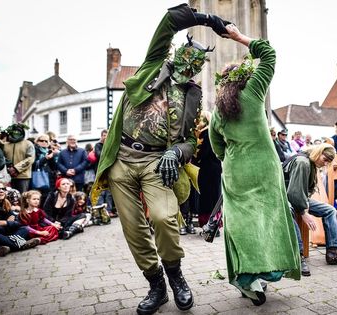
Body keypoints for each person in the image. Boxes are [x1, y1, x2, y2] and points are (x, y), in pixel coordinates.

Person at [90, 4, 232, 314]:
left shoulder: (191, 95)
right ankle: (156, 285)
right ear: (179, 53)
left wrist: (175, 152)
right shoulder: (153, 64)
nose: (191, 63)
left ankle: (176, 276)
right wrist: (207, 19)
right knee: (133, 228)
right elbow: (169, 21)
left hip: (157, 163)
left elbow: (188, 144)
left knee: (165, 219)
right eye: (188, 55)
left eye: (197, 62)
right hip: (122, 160)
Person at [209, 24, 300, 305]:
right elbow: (269, 54)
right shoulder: (255, 90)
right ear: (245, 78)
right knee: (269, 220)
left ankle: (247, 280)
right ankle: (267, 271)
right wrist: (238, 37)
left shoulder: (218, 112)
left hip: (236, 172)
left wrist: (231, 160)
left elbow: (216, 146)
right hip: (265, 168)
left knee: (241, 226)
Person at [283, 143, 337, 273]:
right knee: (289, 211)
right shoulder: (303, 162)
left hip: (298, 198)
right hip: (282, 198)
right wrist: (303, 212)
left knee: (330, 210)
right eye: (325, 160)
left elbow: (302, 192)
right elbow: (293, 193)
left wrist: (304, 205)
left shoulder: (310, 163)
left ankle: (334, 253)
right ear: (318, 153)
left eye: (328, 162)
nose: (325, 164)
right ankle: (297, 257)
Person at [0, 181, 40, 256]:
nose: (1, 191)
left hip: (5, 233)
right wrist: (7, 225)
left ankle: (2, 247)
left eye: (3, 189)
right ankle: (22, 245)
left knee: (25, 229)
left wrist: (4, 223)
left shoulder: (6, 203)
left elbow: (18, 222)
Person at [194, 110, 222, 228]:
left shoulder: (205, 134)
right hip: (215, 169)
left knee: (206, 197)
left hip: (206, 169)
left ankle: (208, 223)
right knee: (214, 197)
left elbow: (203, 153)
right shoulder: (214, 132)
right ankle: (215, 222)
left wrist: (195, 157)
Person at [2, 123, 35, 193]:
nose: (16, 133)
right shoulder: (5, 145)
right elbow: (2, 158)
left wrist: (16, 169)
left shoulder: (28, 144)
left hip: (23, 177)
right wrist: (9, 169)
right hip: (8, 176)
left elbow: (30, 159)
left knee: (22, 197)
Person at [94, 129, 116, 217]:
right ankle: (100, 212)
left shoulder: (112, 144)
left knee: (109, 193)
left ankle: (109, 211)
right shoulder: (98, 145)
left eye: (107, 135)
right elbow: (99, 155)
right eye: (104, 135)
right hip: (101, 172)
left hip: (110, 172)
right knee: (101, 192)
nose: (105, 137)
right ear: (101, 136)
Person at [32, 134, 58, 204]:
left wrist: (53, 156)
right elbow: (34, 165)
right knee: (38, 200)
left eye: (46, 141)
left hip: (49, 180)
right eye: (41, 140)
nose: (44, 142)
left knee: (48, 201)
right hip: (38, 179)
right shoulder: (34, 150)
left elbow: (54, 167)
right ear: (37, 141)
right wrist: (45, 158)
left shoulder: (49, 151)